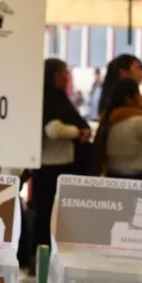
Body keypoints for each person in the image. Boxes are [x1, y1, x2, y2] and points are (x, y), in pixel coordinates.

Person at [30, 58, 90, 256]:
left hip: (54, 165)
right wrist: (78, 132)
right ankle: (43, 256)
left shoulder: (52, 98)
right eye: (65, 73)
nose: (67, 77)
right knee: (48, 215)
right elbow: (53, 129)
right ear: (55, 75)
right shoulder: (51, 99)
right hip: (52, 166)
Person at [95, 78, 142, 180]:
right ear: (129, 98)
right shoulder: (140, 121)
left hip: (112, 177)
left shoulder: (107, 119)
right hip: (141, 179)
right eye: (138, 95)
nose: (141, 98)